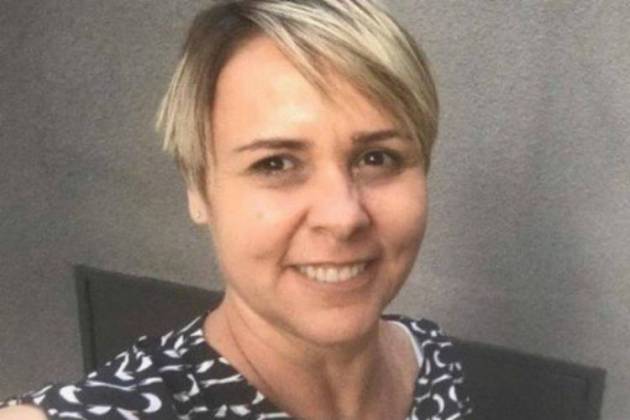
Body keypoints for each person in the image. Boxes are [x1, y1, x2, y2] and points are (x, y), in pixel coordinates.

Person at [0, 0, 473, 419]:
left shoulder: (428, 357)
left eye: (377, 158)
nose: (343, 216)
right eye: (275, 163)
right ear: (197, 187)